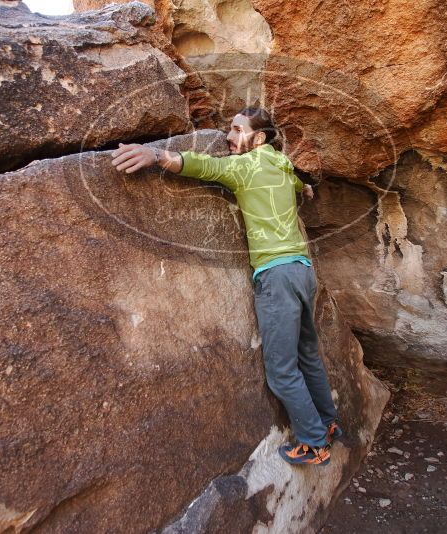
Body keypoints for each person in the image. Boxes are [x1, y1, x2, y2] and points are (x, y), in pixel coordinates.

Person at [110, 107, 341, 466]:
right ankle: (328, 424)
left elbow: (204, 166)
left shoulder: (245, 167)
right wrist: (306, 188)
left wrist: (155, 155)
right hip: (302, 270)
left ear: (258, 138)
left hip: (276, 275)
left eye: (236, 130)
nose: (228, 138)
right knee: (307, 355)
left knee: (282, 371)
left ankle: (314, 444)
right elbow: (297, 182)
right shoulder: (280, 163)